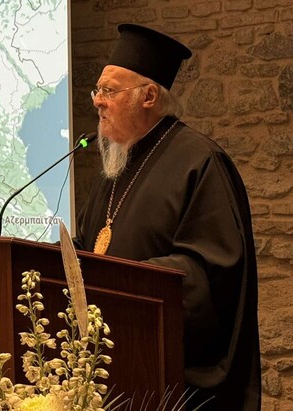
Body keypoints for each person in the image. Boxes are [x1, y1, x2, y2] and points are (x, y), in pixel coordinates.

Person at [74, 24, 261, 410]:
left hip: (174, 383)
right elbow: (89, 245)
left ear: (149, 96)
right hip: (113, 369)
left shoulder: (200, 162)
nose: (97, 101)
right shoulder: (116, 166)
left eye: (109, 91)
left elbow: (211, 272)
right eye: (98, 91)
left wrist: (122, 284)